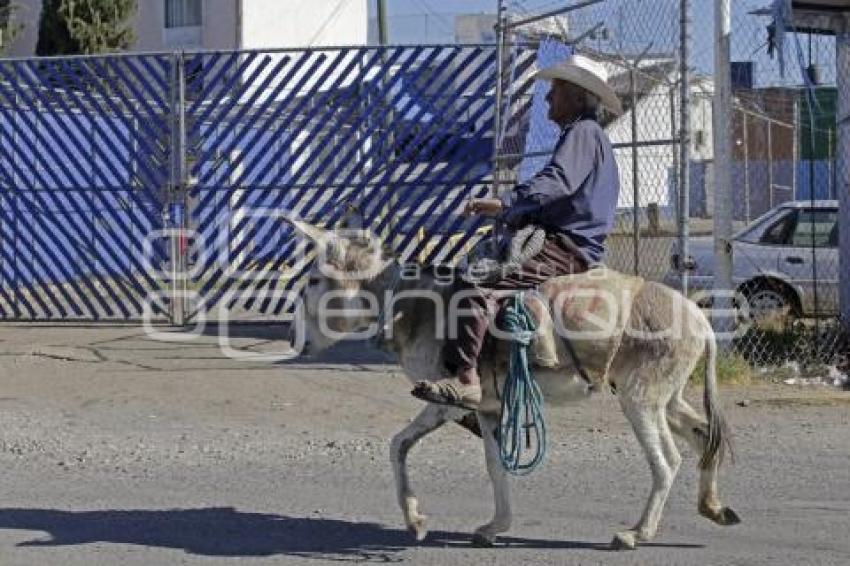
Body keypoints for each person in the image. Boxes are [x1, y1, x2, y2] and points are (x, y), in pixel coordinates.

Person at [411, 54, 623, 409]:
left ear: (574, 95)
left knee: (476, 280)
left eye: (554, 91)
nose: (546, 99)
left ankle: (466, 380)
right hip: (568, 242)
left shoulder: (583, 133)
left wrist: (507, 203)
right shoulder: (589, 136)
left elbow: (558, 182)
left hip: (564, 248)